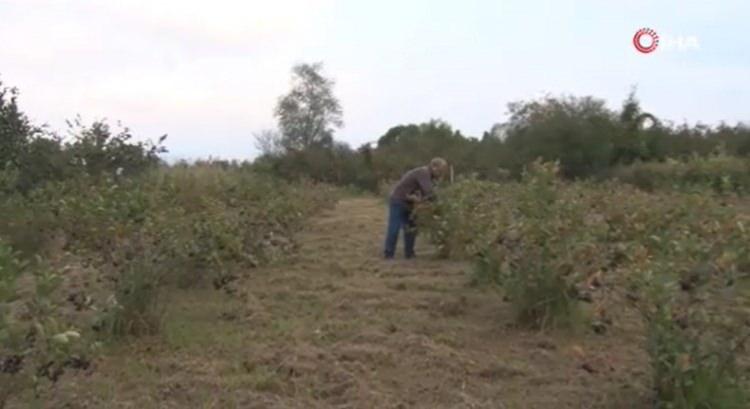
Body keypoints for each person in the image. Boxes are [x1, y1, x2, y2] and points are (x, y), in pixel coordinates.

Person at [384, 157, 449, 259]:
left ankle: (409, 254)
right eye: (440, 171)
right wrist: (440, 204)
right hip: (398, 200)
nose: (441, 174)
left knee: (411, 228)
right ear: (434, 167)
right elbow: (429, 192)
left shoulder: (428, 175)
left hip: (409, 203)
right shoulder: (423, 173)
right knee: (394, 228)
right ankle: (389, 254)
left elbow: (425, 194)